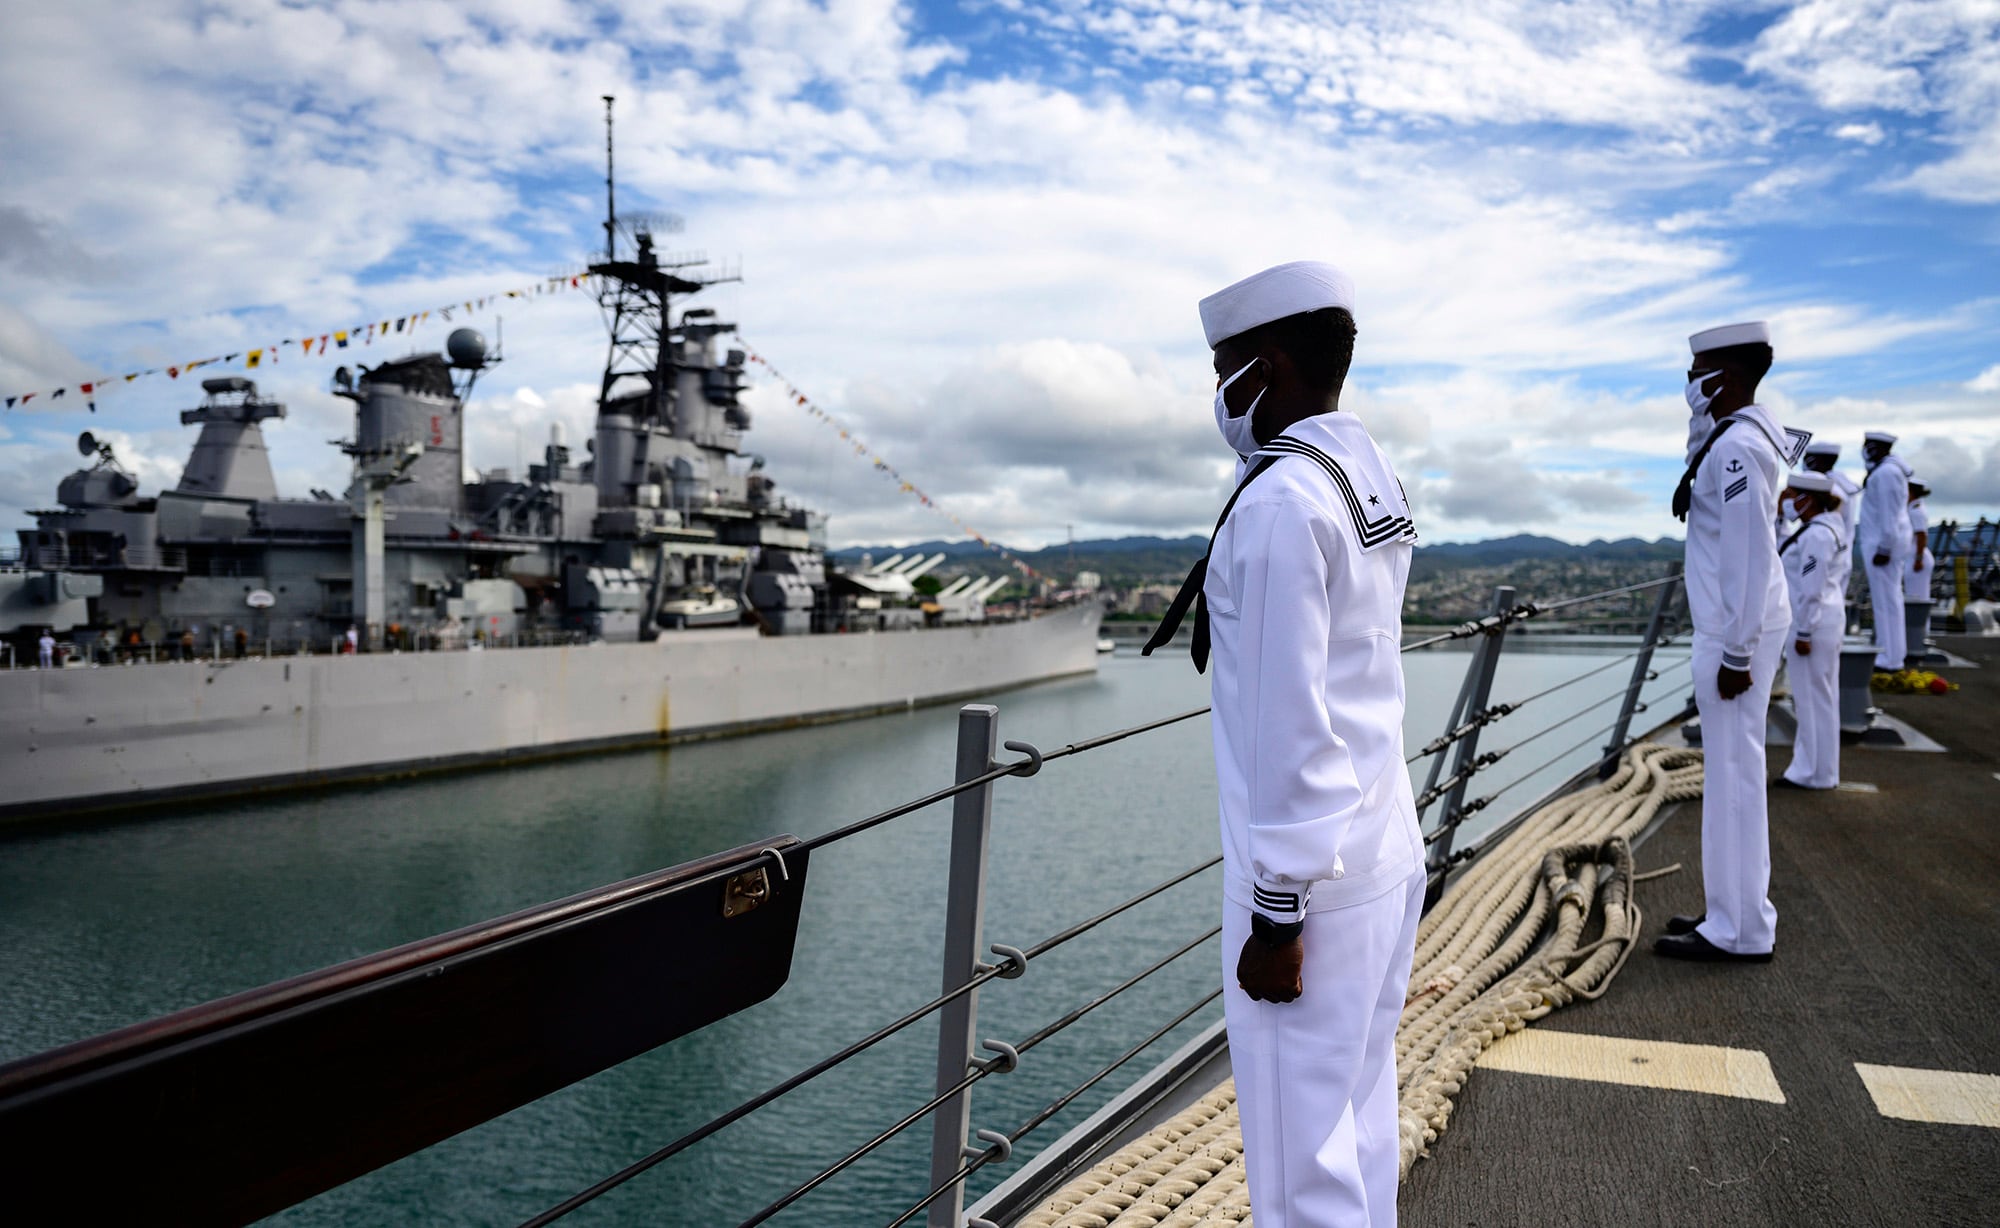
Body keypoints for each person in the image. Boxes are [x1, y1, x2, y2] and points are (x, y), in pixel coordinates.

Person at [1146, 260, 1421, 1227]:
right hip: (1380, 847)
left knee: (1300, 1167)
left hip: (1309, 892)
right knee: (1360, 1117)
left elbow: (1288, 728)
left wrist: (1275, 919)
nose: (1216, 396)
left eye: (1222, 370)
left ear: (1260, 369)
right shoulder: (1357, 471)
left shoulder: (1275, 507)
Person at [1659, 320, 1799, 963]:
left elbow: (1748, 554)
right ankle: (1730, 912)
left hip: (1733, 631)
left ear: (1727, 377)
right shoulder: (1731, 438)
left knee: (1737, 781)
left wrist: (1739, 654)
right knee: (1729, 777)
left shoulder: (1740, 449)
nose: (1690, 384)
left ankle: (1741, 928)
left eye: (1698, 373)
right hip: (1732, 625)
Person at [1776, 471, 1845, 791]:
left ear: (1807, 499)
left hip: (1812, 625)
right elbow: (1783, 551)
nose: (1787, 500)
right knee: (1821, 699)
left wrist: (1804, 631)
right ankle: (1821, 771)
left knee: (1810, 700)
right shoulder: (1822, 529)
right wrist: (1779, 517)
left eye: (1790, 495)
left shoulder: (1817, 535)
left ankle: (1810, 773)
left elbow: (1811, 587)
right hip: (1822, 622)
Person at [1858, 431, 1913, 672]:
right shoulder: (1885, 471)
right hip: (1882, 542)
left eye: (1870, 446)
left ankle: (1890, 658)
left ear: (1879, 448)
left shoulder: (1887, 473)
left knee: (1886, 602)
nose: (1866, 450)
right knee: (1887, 600)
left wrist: (1885, 547)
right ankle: (1890, 652)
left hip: (1883, 544)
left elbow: (1889, 514)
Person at [1904, 480, 1933, 606]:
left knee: (1918, 599)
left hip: (1917, 559)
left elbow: (1921, 536)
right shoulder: (1912, 509)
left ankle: (1919, 626)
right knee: (1913, 596)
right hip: (1912, 558)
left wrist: (1918, 559)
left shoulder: (1916, 511)